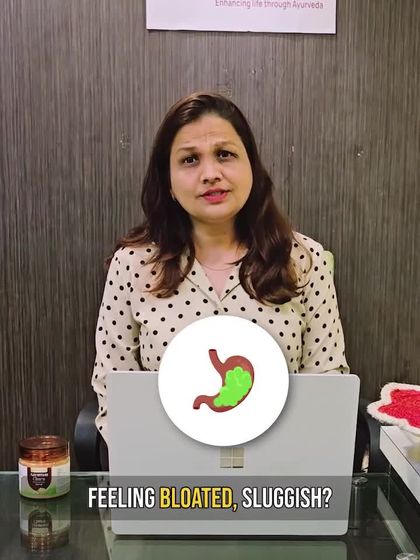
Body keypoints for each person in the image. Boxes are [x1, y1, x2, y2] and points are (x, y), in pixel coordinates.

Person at [91, 91, 350, 451]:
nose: (211, 174)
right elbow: (114, 391)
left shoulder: (304, 260)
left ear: (251, 167)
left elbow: (326, 386)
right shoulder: (133, 265)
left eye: (225, 154)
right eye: (190, 160)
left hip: (280, 471)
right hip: (166, 470)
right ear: (168, 182)